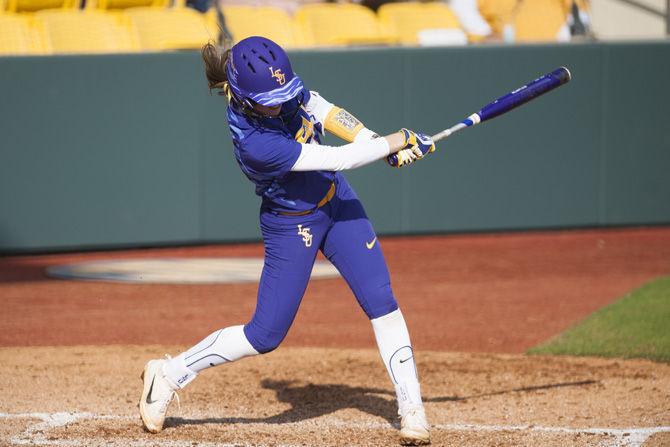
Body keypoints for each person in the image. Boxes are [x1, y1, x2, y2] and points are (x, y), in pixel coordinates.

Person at [138, 36, 435, 446]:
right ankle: (168, 374)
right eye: (270, 100)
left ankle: (412, 408)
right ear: (243, 97)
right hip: (292, 222)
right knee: (264, 335)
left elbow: (323, 108)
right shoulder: (256, 144)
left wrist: (372, 138)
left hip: (338, 201)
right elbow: (335, 158)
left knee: (382, 301)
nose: (280, 103)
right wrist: (395, 141)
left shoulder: (275, 88)